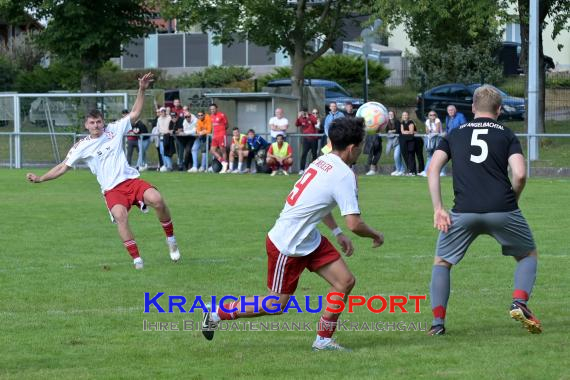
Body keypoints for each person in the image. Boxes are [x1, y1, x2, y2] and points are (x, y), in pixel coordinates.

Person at [201, 117, 384, 351]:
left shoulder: (323, 161)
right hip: (287, 244)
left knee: (345, 281)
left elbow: (319, 203)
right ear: (352, 148)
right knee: (276, 303)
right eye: (362, 145)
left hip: (308, 239)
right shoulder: (343, 175)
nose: (361, 150)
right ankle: (216, 313)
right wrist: (376, 235)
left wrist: (336, 232)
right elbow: (355, 224)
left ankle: (323, 340)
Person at [26, 73, 181, 270]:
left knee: (157, 200)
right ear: (86, 125)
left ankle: (171, 240)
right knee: (120, 216)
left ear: (102, 121)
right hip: (111, 189)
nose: (96, 125)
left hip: (131, 181)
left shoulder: (114, 129)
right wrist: (40, 178)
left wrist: (142, 89)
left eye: (98, 121)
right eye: (92, 123)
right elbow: (63, 166)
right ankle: (137, 260)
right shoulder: (82, 145)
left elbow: (135, 113)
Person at [426, 85, 541, 336]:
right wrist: (514, 199)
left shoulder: (454, 133)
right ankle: (519, 302)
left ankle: (437, 324)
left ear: (473, 108)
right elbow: (520, 174)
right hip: (503, 208)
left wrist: (438, 209)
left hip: (463, 211)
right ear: (499, 110)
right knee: (528, 255)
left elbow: (433, 169)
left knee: (442, 263)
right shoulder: (507, 134)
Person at [295, 108, 319, 175]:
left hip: (314, 139)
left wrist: (309, 117)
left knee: (314, 154)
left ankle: (315, 169)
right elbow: (297, 124)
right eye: (301, 112)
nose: (303, 114)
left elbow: (315, 122)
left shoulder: (311, 116)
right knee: (304, 154)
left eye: (304, 112)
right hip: (306, 139)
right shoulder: (301, 118)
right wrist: (298, 117)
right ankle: (302, 169)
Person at [420, 110, 443, 177]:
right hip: (431, 140)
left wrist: (431, 131)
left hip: (438, 139)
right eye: (430, 115)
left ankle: (441, 172)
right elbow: (427, 131)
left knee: (438, 156)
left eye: (434, 115)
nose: (432, 116)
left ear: (436, 116)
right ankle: (426, 171)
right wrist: (430, 131)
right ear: (428, 116)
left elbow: (437, 131)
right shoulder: (427, 121)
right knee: (429, 156)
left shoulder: (437, 120)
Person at [209, 103, 229, 173]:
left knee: (223, 150)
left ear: (216, 109)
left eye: (213, 109)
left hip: (221, 135)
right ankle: (224, 162)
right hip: (215, 136)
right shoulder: (210, 116)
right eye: (211, 109)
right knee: (212, 150)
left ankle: (224, 168)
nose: (212, 110)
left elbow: (227, 125)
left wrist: (221, 130)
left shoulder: (221, 115)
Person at [386, 110, 405, 176]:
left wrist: (391, 131)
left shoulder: (397, 122)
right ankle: (398, 170)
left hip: (398, 141)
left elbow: (398, 130)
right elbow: (386, 130)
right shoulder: (387, 122)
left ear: (394, 115)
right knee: (397, 156)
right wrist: (391, 131)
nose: (390, 115)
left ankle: (401, 170)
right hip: (392, 141)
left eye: (392, 114)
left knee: (396, 156)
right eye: (389, 114)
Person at [156, 107, 173, 171]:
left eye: (164, 111)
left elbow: (168, 129)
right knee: (162, 152)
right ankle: (165, 165)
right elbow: (158, 128)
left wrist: (165, 131)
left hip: (168, 137)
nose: (163, 112)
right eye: (161, 111)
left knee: (166, 152)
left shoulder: (169, 118)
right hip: (161, 137)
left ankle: (169, 166)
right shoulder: (159, 119)